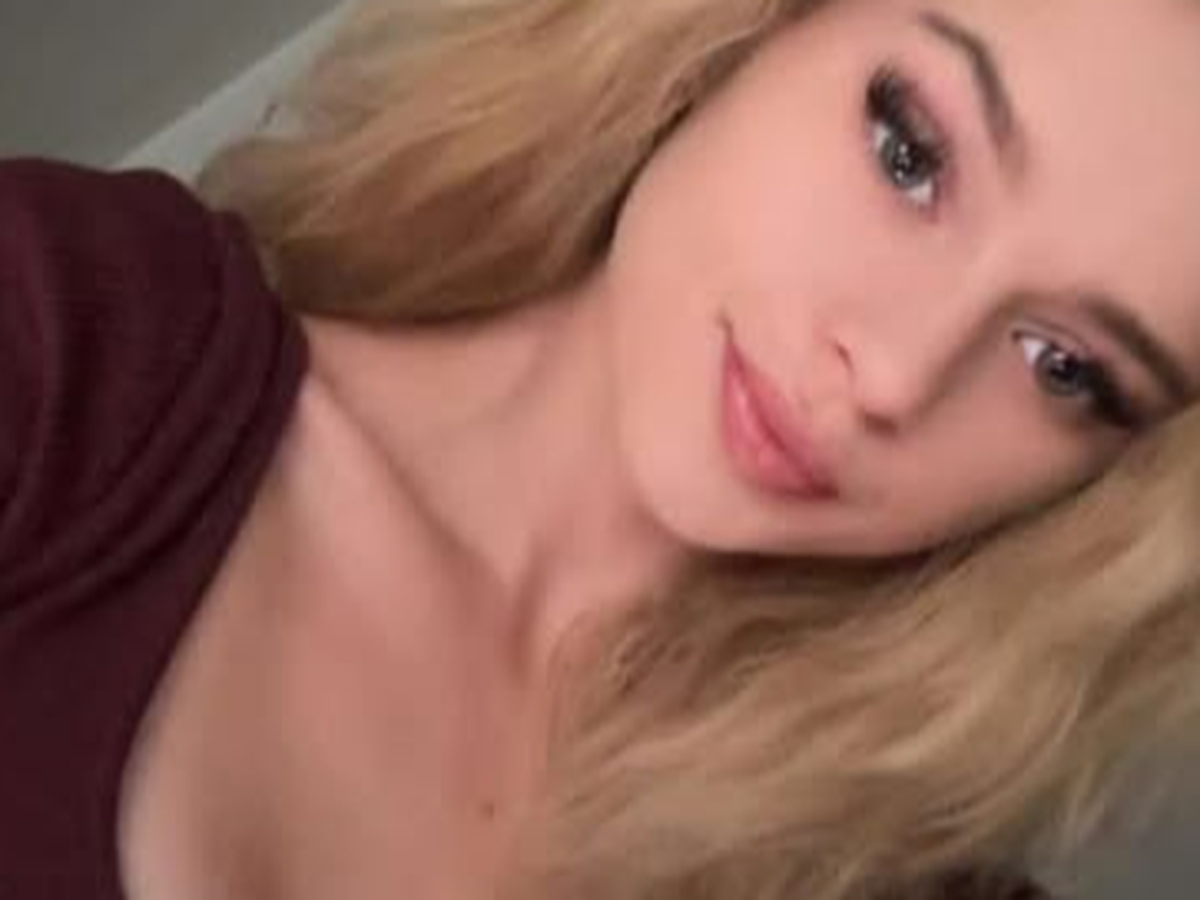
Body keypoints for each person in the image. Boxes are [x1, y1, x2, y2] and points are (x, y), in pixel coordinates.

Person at [4, 0, 1200, 898]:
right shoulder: (70, 336)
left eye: (1064, 367)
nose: (896, 374)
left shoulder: (875, 867)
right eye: (910, 153)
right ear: (747, 32)